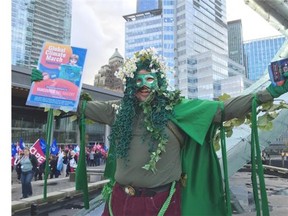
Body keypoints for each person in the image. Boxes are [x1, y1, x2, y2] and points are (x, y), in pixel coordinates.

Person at [33, 48, 288, 215]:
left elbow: (223, 110)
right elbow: (81, 105)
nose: (144, 86)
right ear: (131, 84)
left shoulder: (179, 109)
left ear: (159, 82)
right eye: (138, 81)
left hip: (161, 204)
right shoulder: (120, 112)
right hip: (119, 202)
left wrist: (269, 92)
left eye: (150, 80)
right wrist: (47, 84)